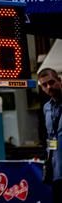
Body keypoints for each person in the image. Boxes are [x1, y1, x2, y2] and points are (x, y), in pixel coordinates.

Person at [38, 67, 62, 200]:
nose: (49, 87)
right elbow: (50, 136)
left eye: (51, 82)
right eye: (44, 85)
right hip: (56, 171)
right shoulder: (46, 107)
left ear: (59, 80)